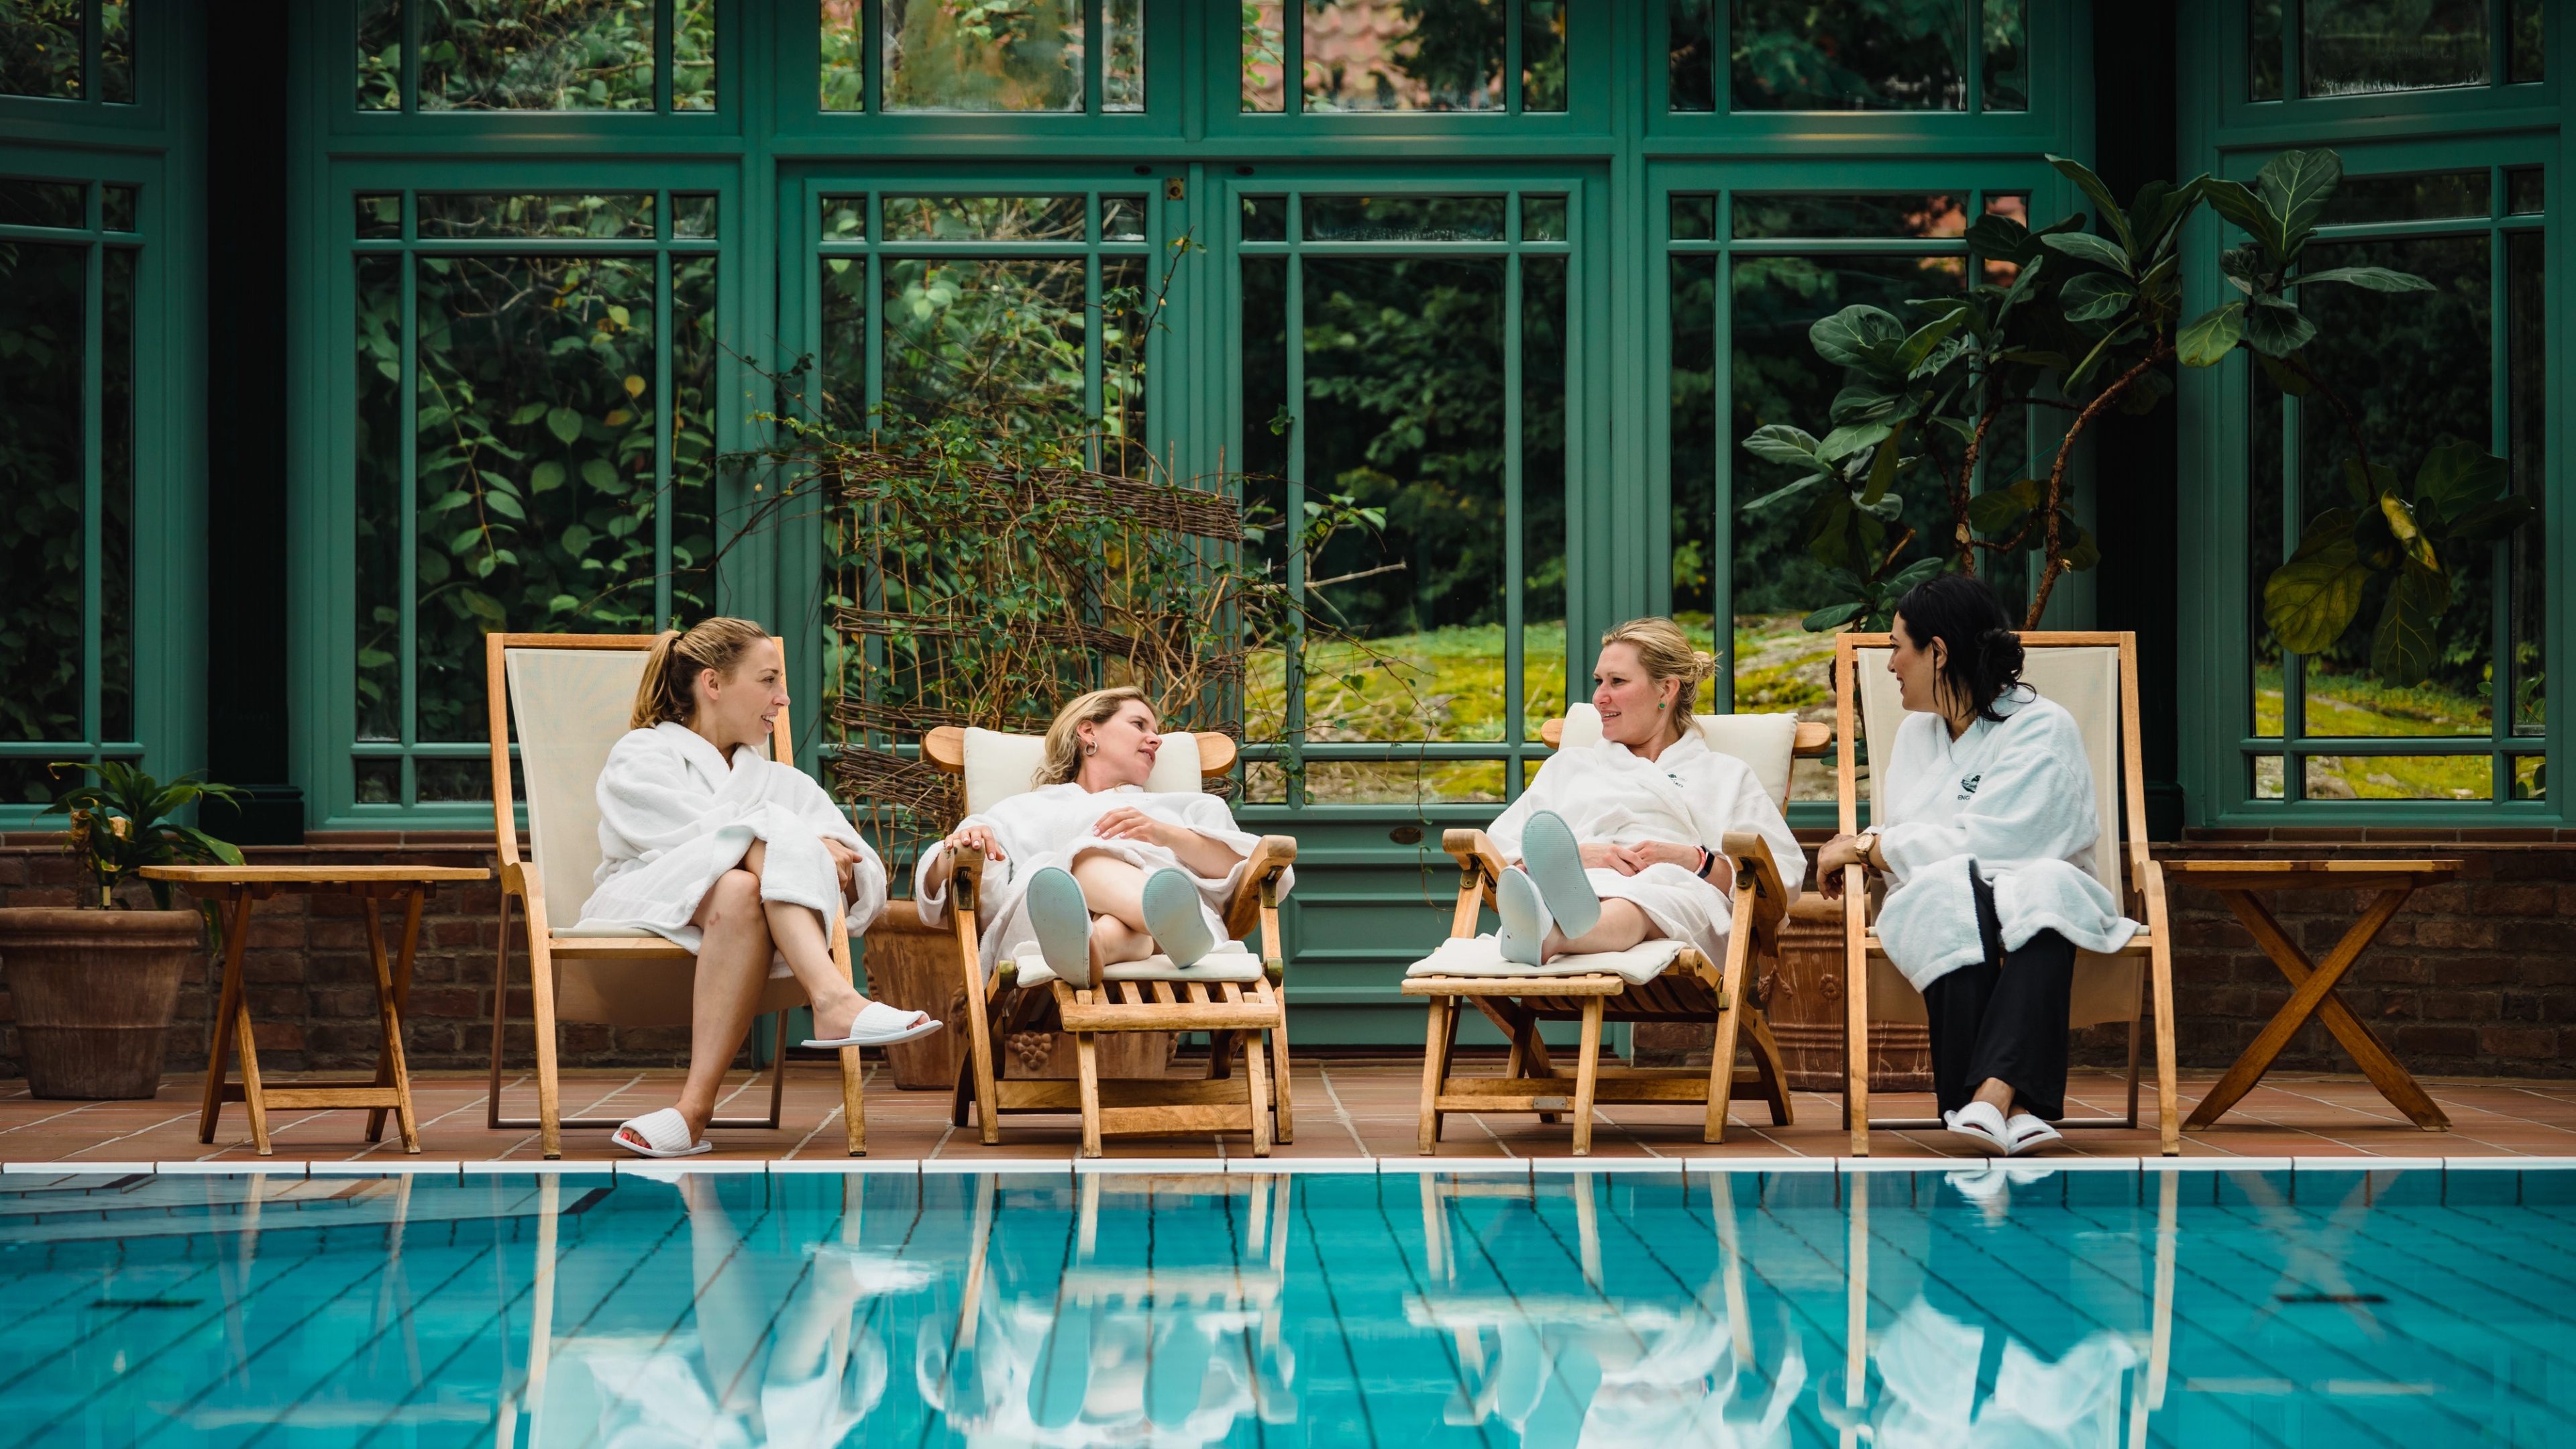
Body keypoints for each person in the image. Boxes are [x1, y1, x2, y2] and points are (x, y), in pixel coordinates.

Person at [578, 617, 935, 1159]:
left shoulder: (779, 781)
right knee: (749, 851)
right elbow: (685, 839)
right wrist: (795, 840)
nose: (784, 698)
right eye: (768, 681)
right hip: (639, 905)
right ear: (713, 683)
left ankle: (691, 1113)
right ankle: (834, 996)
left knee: (743, 889)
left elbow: (860, 869)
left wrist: (792, 839)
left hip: (738, 920)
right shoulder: (641, 755)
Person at [1814, 574, 2138, 1156]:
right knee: (1945, 890)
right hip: (1953, 899)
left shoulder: (2043, 727)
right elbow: (1928, 840)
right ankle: (2016, 1108)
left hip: (2039, 905)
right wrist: (1891, 844)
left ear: (1937, 652)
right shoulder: (1917, 736)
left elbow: (2007, 842)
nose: (1889, 664)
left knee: (2046, 886)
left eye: (1896, 646)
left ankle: (1985, 1098)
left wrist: (1868, 846)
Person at [1482, 616, 1803, 970]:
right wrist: (1577, 857)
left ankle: (1551, 936)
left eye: (1617, 682)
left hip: (1679, 896)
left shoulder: (1725, 776)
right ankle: (1551, 917)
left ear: (1666, 690)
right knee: (1577, 886)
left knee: (1648, 896)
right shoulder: (1570, 766)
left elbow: (1780, 884)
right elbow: (1499, 855)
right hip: (1584, 884)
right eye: (1598, 682)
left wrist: (1696, 861)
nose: (1599, 698)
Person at [914, 686, 1287, 987]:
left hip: (1158, 930)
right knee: (1082, 862)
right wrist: (963, 844)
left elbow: (1247, 870)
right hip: (1060, 932)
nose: (1155, 740)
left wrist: (1165, 834)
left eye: (1157, 733)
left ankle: (1099, 945)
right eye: (1140, 725)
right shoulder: (1021, 810)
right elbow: (942, 885)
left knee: (1098, 880)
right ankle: (1156, 927)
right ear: (1089, 731)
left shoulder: (1188, 806)